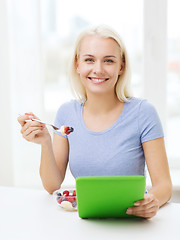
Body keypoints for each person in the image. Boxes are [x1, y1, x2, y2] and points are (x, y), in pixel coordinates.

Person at [18, 25, 172, 219]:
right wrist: (45, 143)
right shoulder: (66, 113)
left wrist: (153, 201)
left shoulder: (143, 113)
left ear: (121, 66)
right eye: (89, 60)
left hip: (131, 224)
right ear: (77, 64)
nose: (98, 70)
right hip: (83, 225)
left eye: (108, 61)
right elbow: (52, 185)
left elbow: (164, 185)